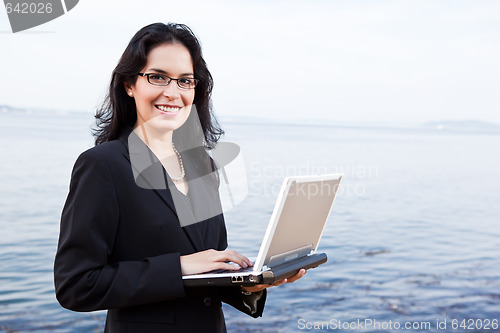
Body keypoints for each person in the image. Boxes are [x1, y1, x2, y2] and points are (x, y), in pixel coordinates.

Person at [54, 22, 306, 333]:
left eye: (185, 81)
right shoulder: (102, 166)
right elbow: (76, 285)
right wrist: (180, 266)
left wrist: (251, 283)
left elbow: (210, 271)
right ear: (129, 85)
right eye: (157, 77)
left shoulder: (204, 167)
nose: (173, 93)